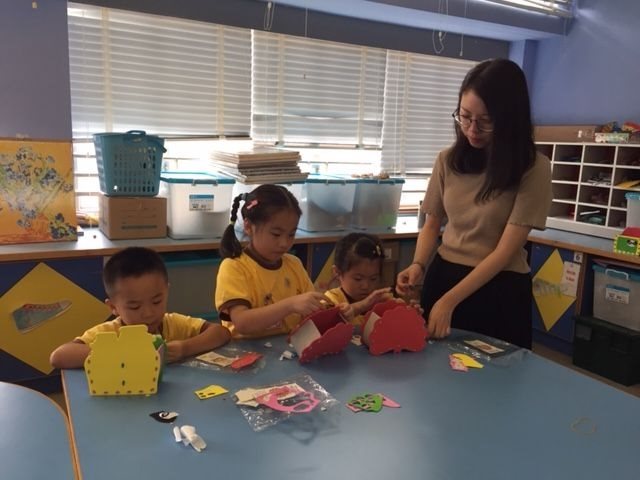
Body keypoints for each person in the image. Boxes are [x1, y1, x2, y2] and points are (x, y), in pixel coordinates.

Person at [396, 58, 552, 349]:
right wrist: (418, 265)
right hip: (444, 276)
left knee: (497, 373)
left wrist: (450, 300)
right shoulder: (447, 160)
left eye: (485, 121)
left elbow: (505, 251)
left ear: (509, 119)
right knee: (434, 367)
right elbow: (432, 224)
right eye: (465, 117)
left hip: (498, 287)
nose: (472, 129)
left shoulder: (533, 168)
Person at [50, 246, 231, 369]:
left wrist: (184, 348)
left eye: (157, 301)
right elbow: (59, 357)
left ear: (166, 292)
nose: (148, 313)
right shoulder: (110, 333)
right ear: (113, 307)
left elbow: (221, 333)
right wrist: (123, 354)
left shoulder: (172, 324)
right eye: (135, 307)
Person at [215, 184, 332, 338]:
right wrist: (290, 305)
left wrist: (333, 312)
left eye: (291, 234)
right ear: (249, 226)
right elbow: (242, 323)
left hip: (287, 347)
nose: (284, 243)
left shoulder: (294, 264)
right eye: (276, 234)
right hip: (244, 349)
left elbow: (310, 314)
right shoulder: (234, 267)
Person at [325, 232, 392, 328]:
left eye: (373, 279)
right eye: (358, 279)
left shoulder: (381, 300)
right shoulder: (330, 300)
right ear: (337, 272)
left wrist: (406, 312)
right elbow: (328, 325)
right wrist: (362, 306)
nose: (366, 286)